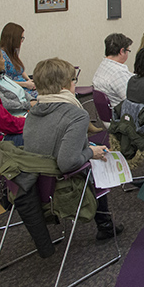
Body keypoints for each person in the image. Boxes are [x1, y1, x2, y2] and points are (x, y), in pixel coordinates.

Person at [22, 57, 123, 253]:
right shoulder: (76, 114)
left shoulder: (33, 111)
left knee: (93, 150)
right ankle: (104, 225)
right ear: (66, 85)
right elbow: (68, 162)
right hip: (61, 187)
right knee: (100, 158)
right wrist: (90, 152)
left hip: (34, 186)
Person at [0, 42, 36, 116]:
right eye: (2, 58)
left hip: (27, 109)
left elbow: (21, 91)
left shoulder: (2, 75)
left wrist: (32, 100)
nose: (4, 60)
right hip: (19, 115)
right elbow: (5, 103)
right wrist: (29, 104)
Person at [92, 33, 133, 108]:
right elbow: (132, 99)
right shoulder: (118, 73)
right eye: (128, 51)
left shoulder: (103, 65)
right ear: (122, 51)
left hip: (110, 113)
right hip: (123, 114)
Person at [0, 22, 37, 99]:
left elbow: (20, 70)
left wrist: (29, 80)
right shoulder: (2, 56)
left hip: (24, 84)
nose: (22, 41)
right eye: (21, 38)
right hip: (15, 89)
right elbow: (3, 82)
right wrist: (26, 84)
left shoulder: (12, 52)